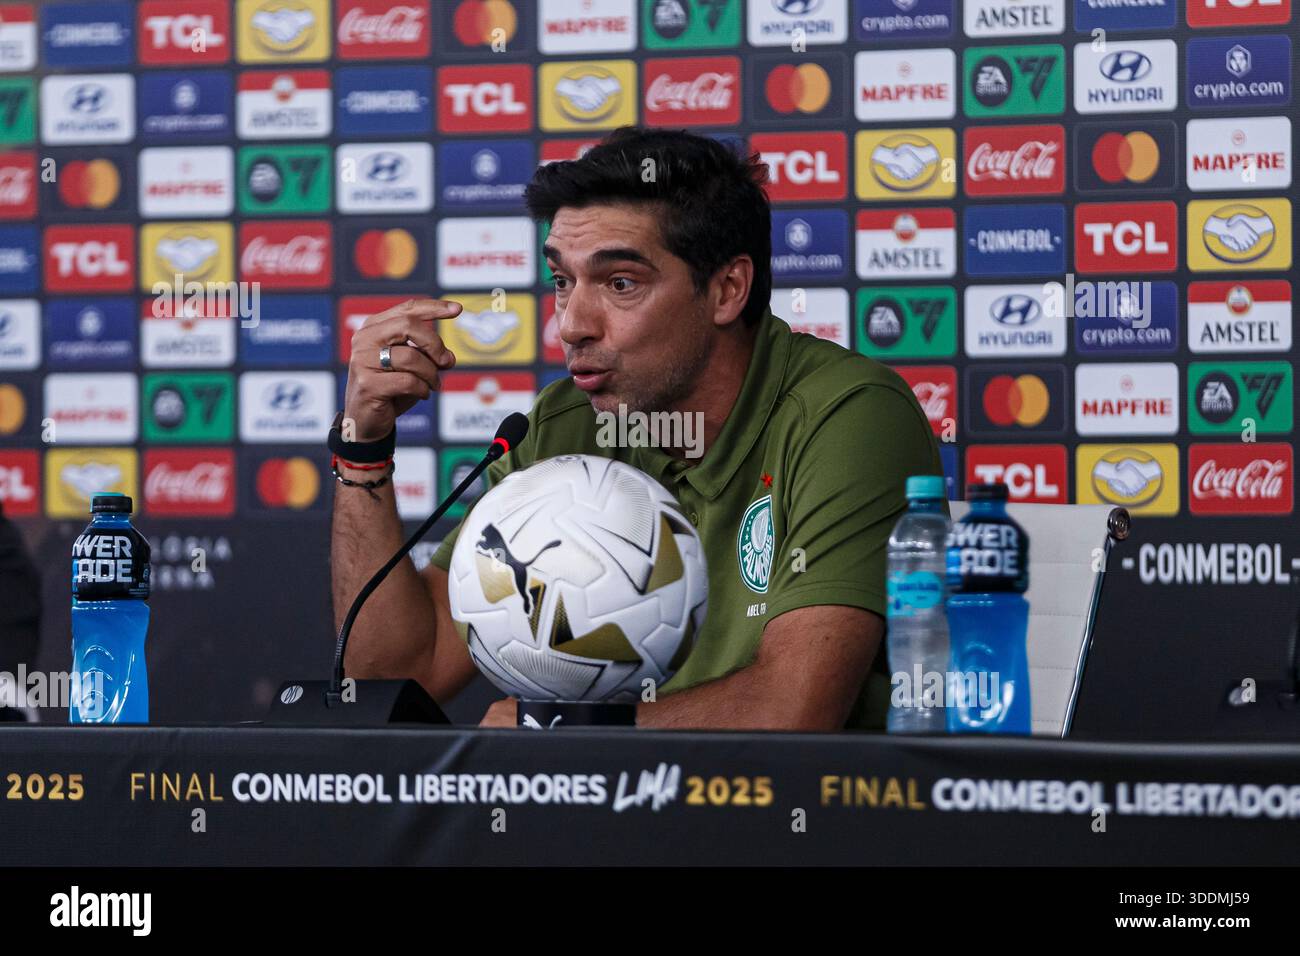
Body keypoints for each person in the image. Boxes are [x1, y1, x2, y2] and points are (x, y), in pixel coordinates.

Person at [330, 126, 942, 730]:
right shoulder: (563, 426)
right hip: (601, 822)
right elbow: (400, 676)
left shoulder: (850, 413)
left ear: (728, 290)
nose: (571, 325)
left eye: (620, 283)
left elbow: (795, 709)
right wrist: (364, 445)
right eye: (563, 282)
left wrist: (558, 734)